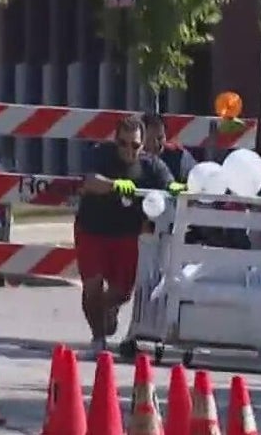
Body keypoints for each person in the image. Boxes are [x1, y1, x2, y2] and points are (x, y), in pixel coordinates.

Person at [75, 116, 175, 355]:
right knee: (92, 286)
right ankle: (98, 339)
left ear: (143, 145)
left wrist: (174, 188)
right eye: (123, 143)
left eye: (135, 145)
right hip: (92, 229)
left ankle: (108, 310)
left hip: (126, 235)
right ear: (115, 140)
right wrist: (113, 185)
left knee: (122, 292)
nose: (128, 149)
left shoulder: (151, 165)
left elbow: (169, 183)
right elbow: (89, 181)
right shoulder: (101, 154)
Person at [140, 113, 196, 183]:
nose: (156, 144)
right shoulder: (132, 155)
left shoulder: (180, 157)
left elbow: (195, 179)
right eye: (149, 140)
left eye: (160, 138)